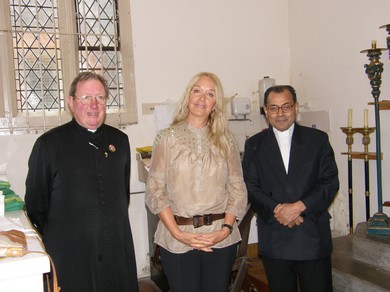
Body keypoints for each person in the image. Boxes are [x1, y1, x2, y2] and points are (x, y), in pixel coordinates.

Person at [25, 72, 139, 292]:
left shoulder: (120, 141)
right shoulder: (48, 145)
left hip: (115, 247)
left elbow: (122, 195)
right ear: (71, 102)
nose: (94, 105)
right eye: (85, 98)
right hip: (71, 253)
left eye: (100, 98)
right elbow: (35, 206)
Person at [145, 72, 247, 292]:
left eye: (210, 94)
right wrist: (178, 233)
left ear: (215, 105)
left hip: (220, 237)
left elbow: (237, 188)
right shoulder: (167, 138)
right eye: (197, 90)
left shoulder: (226, 140)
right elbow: (154, 189)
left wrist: (226, 229)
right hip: (178, 237)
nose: (202, 98)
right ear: (188, 97)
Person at [242, 85, 339, 292]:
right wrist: (279, 209)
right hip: (275, 236)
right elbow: (250, 186)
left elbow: (330, 182)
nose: (280, 114)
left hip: (311, 233)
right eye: (274, 108)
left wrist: (298, 207)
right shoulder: (254, 145)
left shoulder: (318, 140)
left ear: (295, 108)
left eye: (286, 107)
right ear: (266, 112)